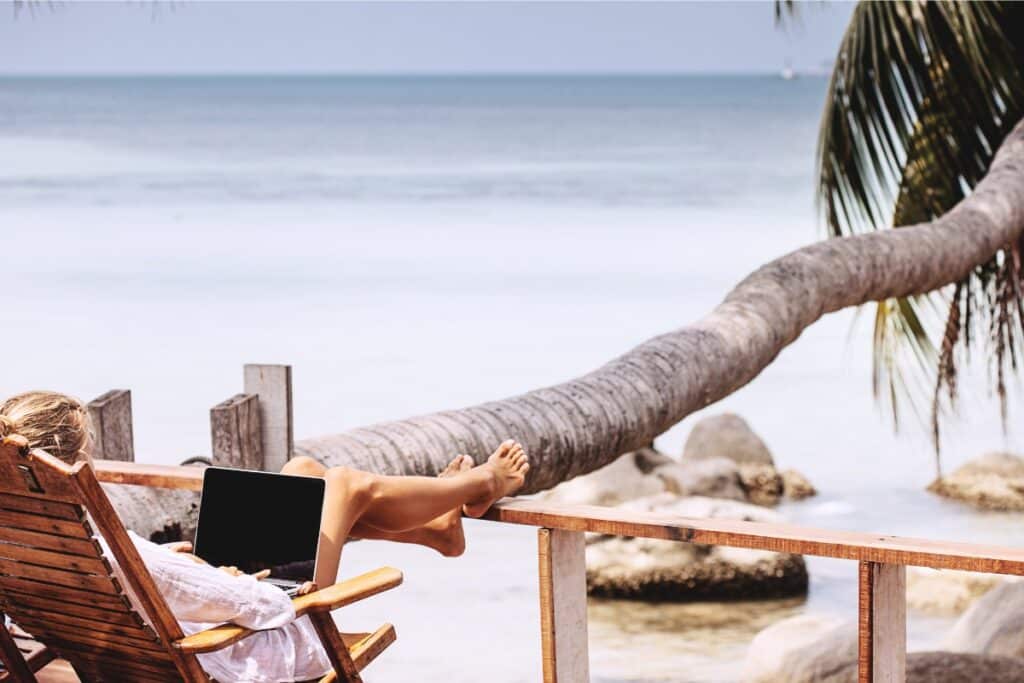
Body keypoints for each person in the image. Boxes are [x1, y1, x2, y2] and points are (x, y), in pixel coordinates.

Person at [0, 391, 529, 682]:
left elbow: (136, 572)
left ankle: (435, 531)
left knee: (303, 472)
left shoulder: (25, 534)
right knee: (344, 485)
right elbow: (261, 607)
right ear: (75, 459)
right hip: (239, 650)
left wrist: (179, 565)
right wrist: (223, 576)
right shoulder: (98, 538)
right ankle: (481, 483)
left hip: (127, 649)